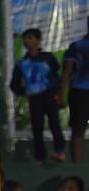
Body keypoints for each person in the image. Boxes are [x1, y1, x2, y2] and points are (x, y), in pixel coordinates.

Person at [11, 28, 67, 165]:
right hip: (34, 97)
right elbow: (14, 84)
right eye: (25, 38)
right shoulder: (21, 63)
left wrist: (57, 91)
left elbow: (56, 72)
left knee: (54, 123)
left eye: (30, 38)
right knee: (37, 126)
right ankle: (40, 156)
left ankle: (59, 151)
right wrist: (26, 90)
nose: (26, 41)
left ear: (38, 40)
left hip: (50, 94)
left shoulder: (48, 58)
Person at [64, 18, 89, 162]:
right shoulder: (77, 46)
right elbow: (67, 70)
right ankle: (77, 163)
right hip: (80, 91)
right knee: (78, 129)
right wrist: (61, 91)